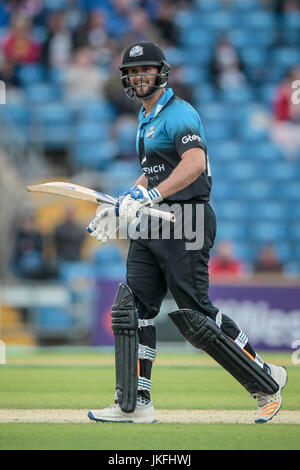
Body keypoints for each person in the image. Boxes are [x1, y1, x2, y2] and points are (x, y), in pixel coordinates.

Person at [87, 41, 287, 424]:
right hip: (152, 220)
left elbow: (194, 164)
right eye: (133, 71)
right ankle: (134, 402)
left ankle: (265, 381)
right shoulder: (145, 119)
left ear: (161, 72)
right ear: (126, 79)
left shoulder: (180, 114)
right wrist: (124, 202)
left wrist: (152, 194)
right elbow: (156, 169)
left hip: (188, 218)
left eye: (146, 69)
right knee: (131, 310)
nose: (140, 76)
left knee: (196, 316)